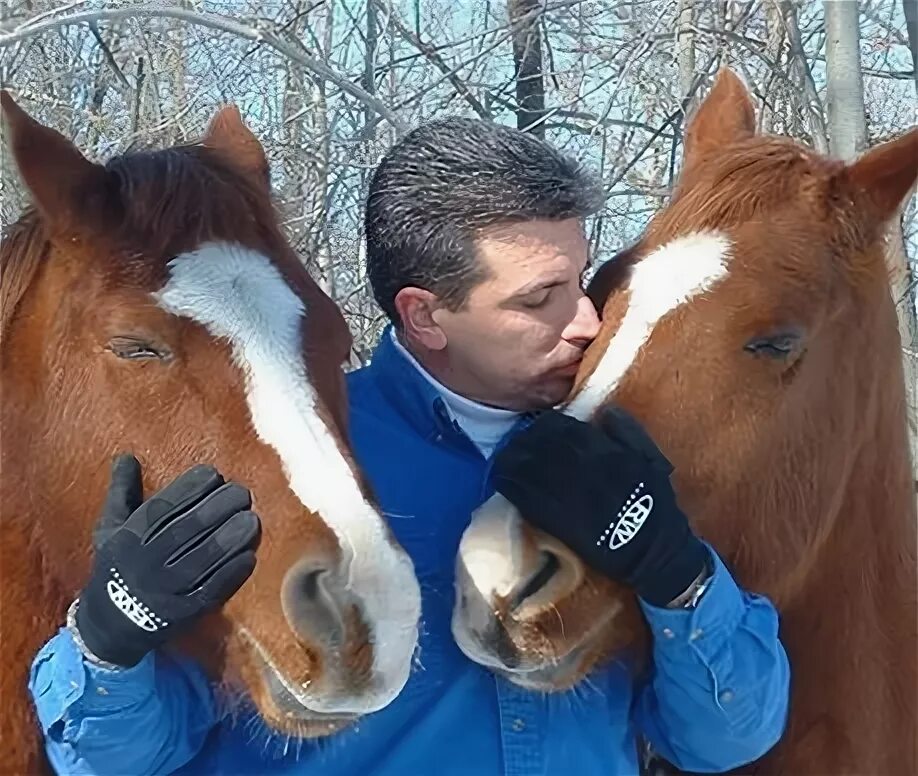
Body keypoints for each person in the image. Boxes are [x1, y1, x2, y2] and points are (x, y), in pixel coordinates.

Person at [28, 117, 790, 775]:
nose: (588, 320)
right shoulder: (288, 458)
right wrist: (109, 639)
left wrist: (677, 573)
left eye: (581, 279)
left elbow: (726, 740)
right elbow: (122, 758)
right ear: (425, 317)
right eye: (538, 298)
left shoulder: (621, 455)